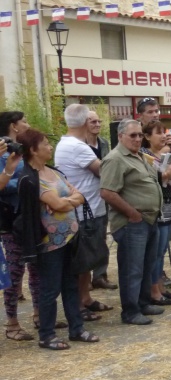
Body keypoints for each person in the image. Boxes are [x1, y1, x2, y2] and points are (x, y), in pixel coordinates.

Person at [15, 129, 99, 350]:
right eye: (45, 143)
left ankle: (77, 329)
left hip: (70, 239)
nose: (50, 147)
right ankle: (47, 335)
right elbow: (62, 203)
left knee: (71, 285)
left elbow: (78, 195)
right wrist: (67, 201)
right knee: (50, 289)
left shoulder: (54, 172)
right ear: (33, 150)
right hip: (48, 243)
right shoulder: (30, 178)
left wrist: (64, 201)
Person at [100, 119, 166, 326]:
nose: (138, 139)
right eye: (133, 135)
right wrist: (132, 213)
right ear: (120, 137)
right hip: (132, 223)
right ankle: (130, 311)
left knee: (147, 265)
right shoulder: (115, 159)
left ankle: (143, 303)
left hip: (149, 219)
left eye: (139, 135)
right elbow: (107, 192)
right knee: (132, 268)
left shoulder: (139, 156)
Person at [53, 104, 112, 322]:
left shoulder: (69, 143)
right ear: (84, 122)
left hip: (88, 209)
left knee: (88, 260)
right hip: (85, 212)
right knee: (82, 260)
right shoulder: (78, 147)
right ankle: (79, 303)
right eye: (91, 120)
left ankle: (85, 298)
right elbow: (103, 171)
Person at [137, 97, 171, 285]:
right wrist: (165, 147)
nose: (155, 114)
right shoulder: (139, 136)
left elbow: (170, 158)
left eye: (157, 111)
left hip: (170, 194)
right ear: (141, 115)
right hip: (152, 198)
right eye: (150, 112)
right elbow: (147, 160)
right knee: (157, 243)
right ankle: (155, 278)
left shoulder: (164, 133)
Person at [0, 111, 40, 341]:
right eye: (24, 121)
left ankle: (38, 314)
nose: (27, 124)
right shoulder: (2, 153)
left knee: (36, 266)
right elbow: (2, 186)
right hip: (11, 220)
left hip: (30, 217)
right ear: (13, 126)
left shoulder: (22, 149)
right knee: (15, 272)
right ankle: (12, 322)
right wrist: (27, 182)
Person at [141, 122, 171, 305]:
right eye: (158, 133)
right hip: (158, 207)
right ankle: (153, 289)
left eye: (164, 132)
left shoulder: (166, 154)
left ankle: (160, 286)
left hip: (170, 204)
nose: (163, 136)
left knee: (162, 249)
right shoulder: (146, 156)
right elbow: (151, 178)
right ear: (147, 136)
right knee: (156, 250)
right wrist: (167, 174)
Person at [84, 110, 116, 290]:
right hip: (85, 195)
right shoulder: (78, 144)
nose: (97, 124)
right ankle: (85, 277)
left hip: (103, 192)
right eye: (92, 121)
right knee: (86, 238)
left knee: (101, 236)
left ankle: (100, 274)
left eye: (99, 121)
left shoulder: (103, 143)